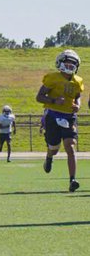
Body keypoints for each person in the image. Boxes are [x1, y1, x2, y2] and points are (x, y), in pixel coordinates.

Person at [36, 49, 82, 193]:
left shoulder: (77, 81)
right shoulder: (52, 78)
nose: (69, 67)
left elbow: (78, 96)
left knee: (71, 146)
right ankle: (49, 157)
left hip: (69, 116)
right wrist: (54, 100)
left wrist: (78, 105)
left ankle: (72, 180)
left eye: (72, 64)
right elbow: (39, 97)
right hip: (53, 116)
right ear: (60, 63)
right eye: (67, 63)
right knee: (54, 149)